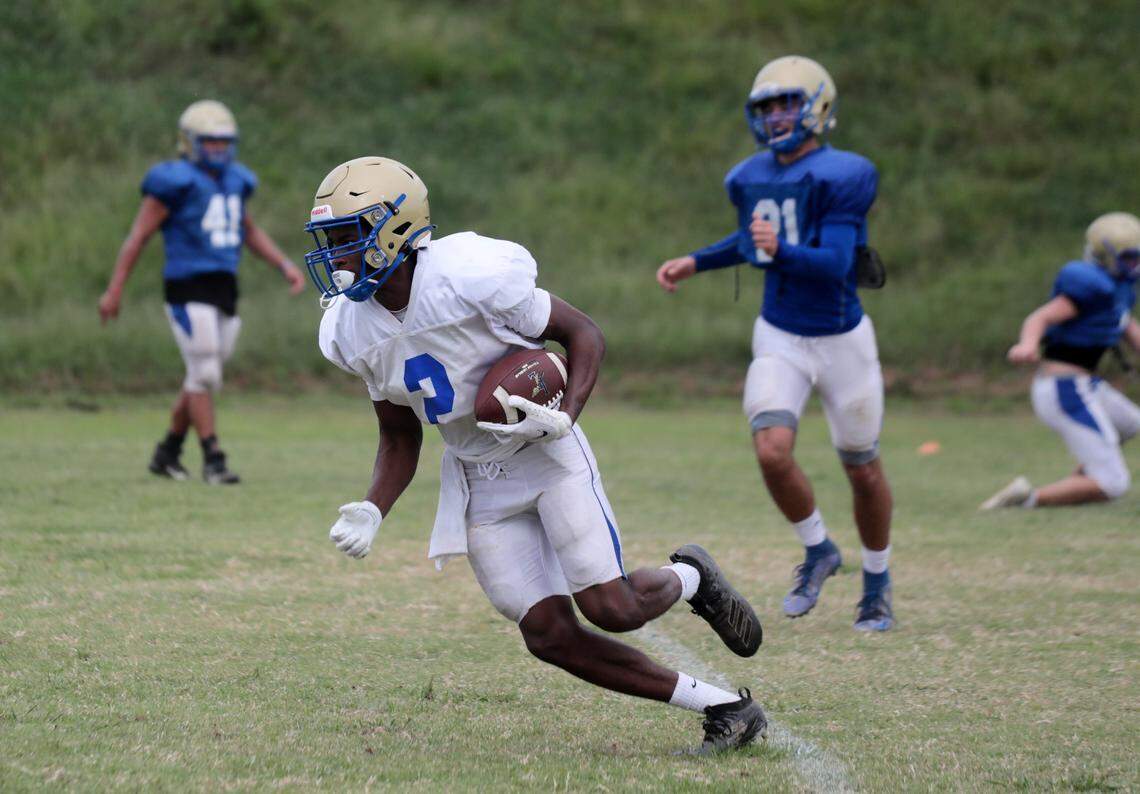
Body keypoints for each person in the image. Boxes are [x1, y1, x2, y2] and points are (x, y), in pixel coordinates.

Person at [306, 155, 766, 753]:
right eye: (329, 241)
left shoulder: (467, 275)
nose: (335, 255)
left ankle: (692, 576)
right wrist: (374, 507)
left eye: (347, 236)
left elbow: (583, 334)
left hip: (545, 453)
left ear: (394, 227)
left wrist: (564, 416)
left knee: (613, 608)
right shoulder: (350, 328)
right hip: (478, 476)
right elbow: (398, 434)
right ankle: (725, 708)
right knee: (548, 635)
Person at [655, 56, 895, 632]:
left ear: (818, 107)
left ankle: (877, 583)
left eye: (788, 103)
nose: (777, 116)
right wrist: (698, 261)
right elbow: (754, 238)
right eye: (767, 107)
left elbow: (835, 262)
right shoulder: (750, 175)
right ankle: (818, 548)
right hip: (781, 333)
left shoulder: (844, 174)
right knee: (771, 450)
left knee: (862, 468)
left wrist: (778, 250)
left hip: (841, 339)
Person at [99, 100, 305, 484]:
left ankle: (168, 451)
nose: (218, 149)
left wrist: (283, 265)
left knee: (202, 375)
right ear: (189, 142)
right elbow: (138, 237)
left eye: (223, 142)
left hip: (224, 286)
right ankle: (214, 459)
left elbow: (248, 230)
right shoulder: (173, 183)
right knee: (205, 372)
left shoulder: (235, 180)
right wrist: (114, 290)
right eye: (210, 142)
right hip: (187, 284)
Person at [982, 212, 1140, 509]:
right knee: (1114, 483)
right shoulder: (1090, 286)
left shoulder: (1118, 290)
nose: (1136, 265)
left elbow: (1127, 327)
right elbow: (1040, 317)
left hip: (1085, 384)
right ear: (1105, 256)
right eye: (1129, 258)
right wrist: (1027, 345)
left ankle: (1080, 484)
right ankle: (1025, 500)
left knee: (1130, 424)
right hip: (1064, 388)